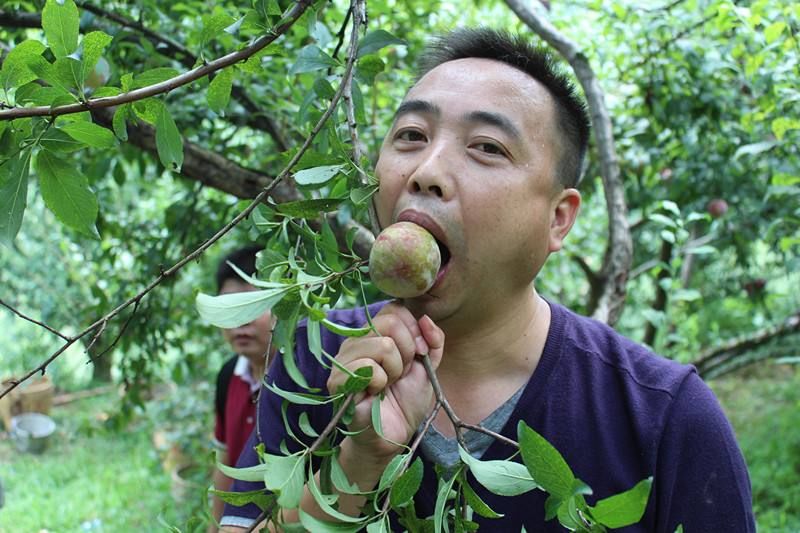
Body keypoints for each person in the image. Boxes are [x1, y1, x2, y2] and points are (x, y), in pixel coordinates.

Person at [219, 28, 755, 532]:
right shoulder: (315, 360)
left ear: (558, 218)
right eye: (411, 135)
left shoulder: (665, 418)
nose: (425, 170)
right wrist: (356, 465)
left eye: (487, 147)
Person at [209, 245, 276, 532]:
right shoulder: (228, 376)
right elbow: (225, 463)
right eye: (230, 307)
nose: (240, 319)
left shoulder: (310, 378)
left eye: (253, 304)